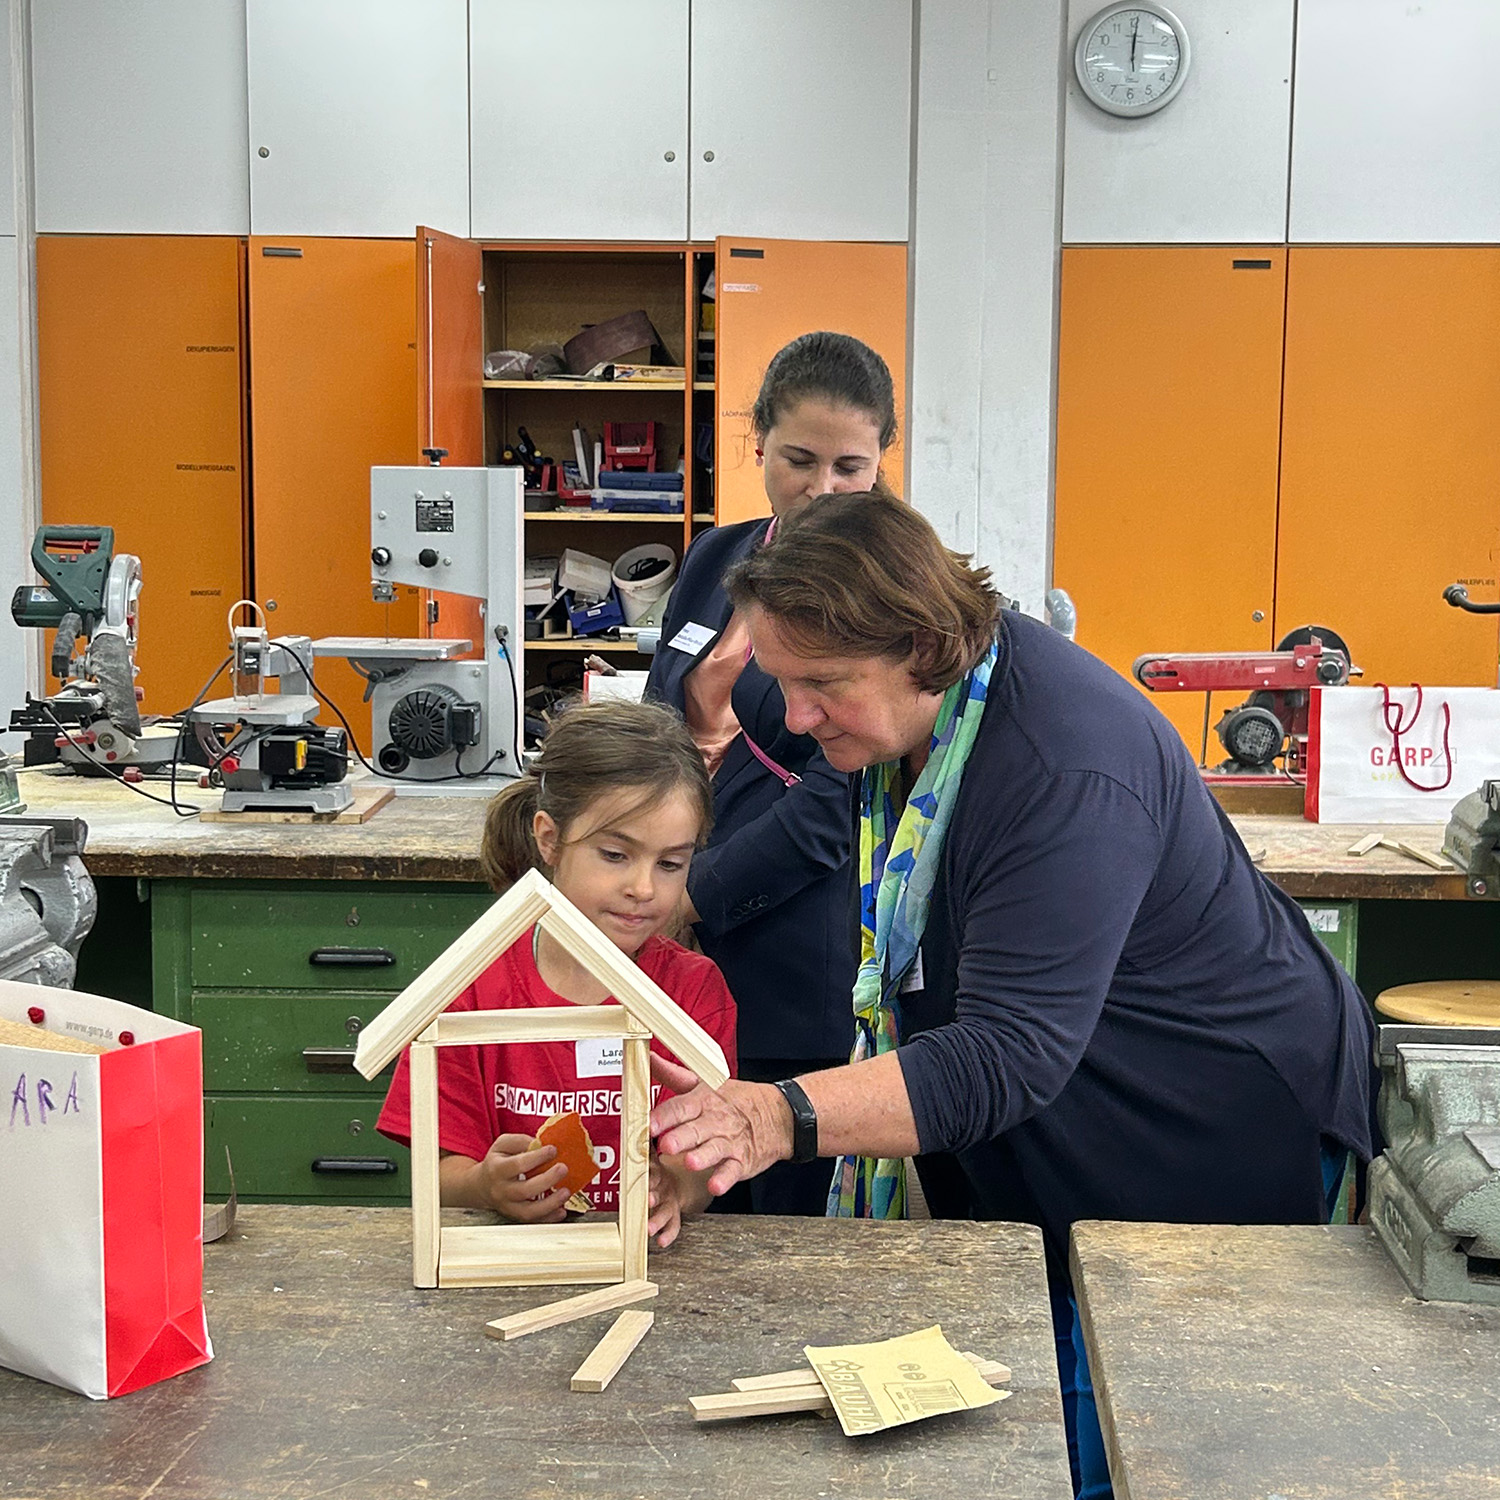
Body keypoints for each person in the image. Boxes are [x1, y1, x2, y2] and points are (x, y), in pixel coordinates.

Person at [649, 492, 1376, 1498]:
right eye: (782, 682)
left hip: (1198, 1140)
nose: (798, 717)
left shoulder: (1061, 761)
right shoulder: (922, 707)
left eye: (821, 687)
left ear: (919, 646)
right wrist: (681, 901)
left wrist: (777, 1116)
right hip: (1066, 1126)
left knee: (1146, 1442)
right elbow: (821, 802)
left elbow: (1008, 1053)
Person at [645, 331, 898, 1215]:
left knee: (785, 1234)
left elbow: (838, 803)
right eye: (799, 460)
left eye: (849, 468)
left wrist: (694, 896)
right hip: (672, 948)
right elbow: (661, 721)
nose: (822, 489)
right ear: (758, 442)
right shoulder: (717, 559)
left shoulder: (884, 593)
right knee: (678, 1213)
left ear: (881, 460)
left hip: (794, 960)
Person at [377, 699, 738, 1250]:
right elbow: (437, 1172)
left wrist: (675, 1189)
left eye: (670, 864)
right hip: (509, 1263)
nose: (643, 888)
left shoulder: (693, 991)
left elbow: (709, 1152)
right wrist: (486, 1185)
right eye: (615, 854)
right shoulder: (471, 989)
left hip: (648, 1265)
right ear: (549, 838)